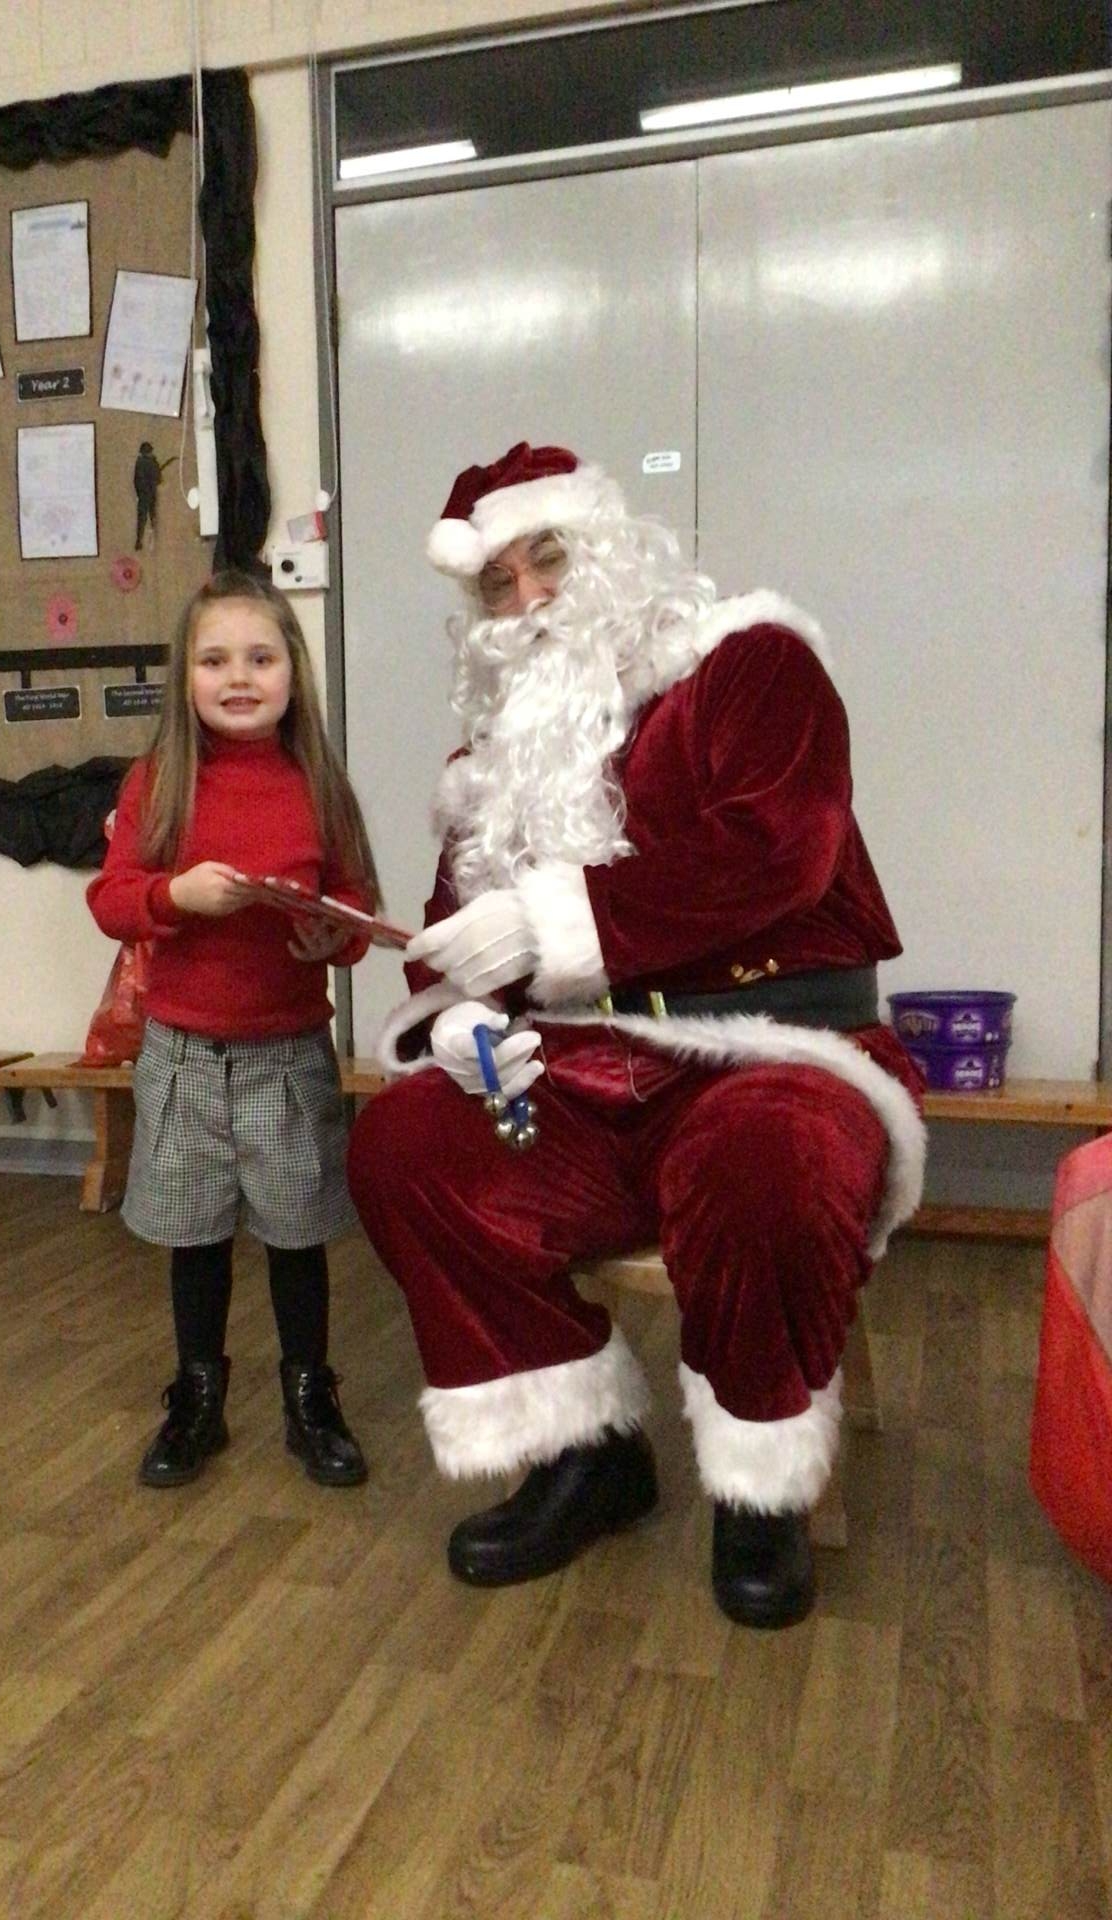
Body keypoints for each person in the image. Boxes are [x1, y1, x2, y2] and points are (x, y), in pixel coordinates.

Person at [347, 442, 926, 1628]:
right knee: (403, 1148)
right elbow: (452, 940)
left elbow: (780, 852)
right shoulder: (492, 765)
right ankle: (587, 1453)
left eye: (547, 558)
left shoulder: (752, 665)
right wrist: (460, 1020)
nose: (528, 599)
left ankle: (759, 1489)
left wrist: (549, 924)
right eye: (496, 584)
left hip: (773, 1047)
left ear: (609, 546)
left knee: (766, 1166)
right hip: (583, 1073)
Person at [88, 570, 381, 1492]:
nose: (239, 677)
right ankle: (197, 1398)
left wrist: (333, 936)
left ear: (293, 669)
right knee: (196, 1238)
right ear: (185, 677)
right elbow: (111, 901)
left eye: (261, 658)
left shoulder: (319, 785)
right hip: (182, 1056)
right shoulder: (158, 782)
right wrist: (175, 895)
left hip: (287, 1055)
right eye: (215, 661)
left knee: (297, 1239)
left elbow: (357, 908)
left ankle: (311, 1399)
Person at [133, 442, 175, 550]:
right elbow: (158, 479)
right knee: (151, 517)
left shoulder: (140, 463)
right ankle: (151, 539)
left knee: (143, 518)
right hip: (150, 494)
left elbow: (136, 481)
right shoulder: (152, 462)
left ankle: (140, 541)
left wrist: (139, 493)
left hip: (144, 495)